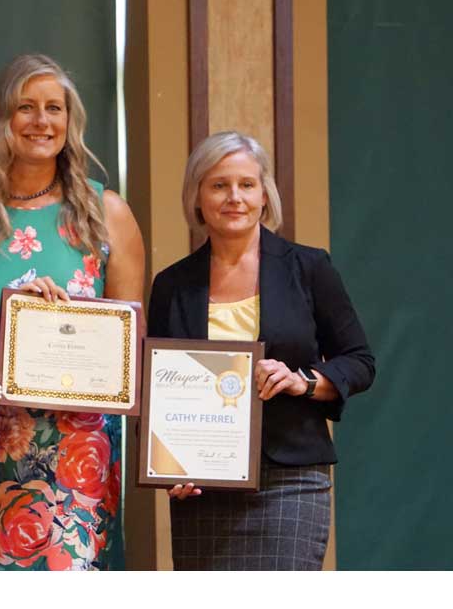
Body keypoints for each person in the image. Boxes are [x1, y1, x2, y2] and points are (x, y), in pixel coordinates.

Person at [0, 53, 145, 570]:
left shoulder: (106, 212)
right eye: (26, 107)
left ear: (70, 123)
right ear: (2, 118)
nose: (41, 121)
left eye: (55, 108)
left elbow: (133, 342)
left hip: (80, 453)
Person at [147, 131, 376, 570]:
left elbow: (360, 362)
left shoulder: (309, 268)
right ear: (197, 197)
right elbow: (157, 387)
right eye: (219, 185)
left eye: (247, 184)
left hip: (290, 479)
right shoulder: (171, 284)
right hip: (203, 486)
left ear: (265, 195)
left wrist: (303, 381)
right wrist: (167, 467)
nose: (234, 197)